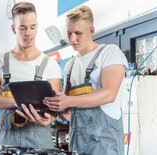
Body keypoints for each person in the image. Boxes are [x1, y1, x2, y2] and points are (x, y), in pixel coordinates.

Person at [43, 5, 128, 154]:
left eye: (78, 33)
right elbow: (68, 107)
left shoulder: (109, 52)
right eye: (69, 33)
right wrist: (55, 108)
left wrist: (68, 101)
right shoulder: (69, 65)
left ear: (92, 30)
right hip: (77, 144)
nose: (72, 39)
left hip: (105, 145)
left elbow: (109, 94)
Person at [0, 2, 62, 149]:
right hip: (6, 138)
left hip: (39, 137)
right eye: (22, 28)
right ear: (13, 29)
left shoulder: (50, 64)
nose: (28, 33)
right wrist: (19, 102)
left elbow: (55, 106)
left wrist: (49, 118)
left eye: (32, 27)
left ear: (37, 26)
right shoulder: (0, 61)